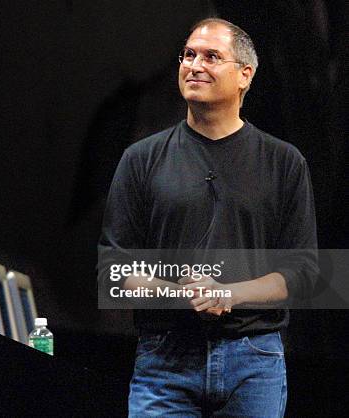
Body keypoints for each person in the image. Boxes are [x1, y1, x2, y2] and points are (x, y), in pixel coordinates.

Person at [98, 18, 318, 417]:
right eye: (188, 54)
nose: (194, 65)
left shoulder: (284, 162)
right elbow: (113, 273)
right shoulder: (141, 159)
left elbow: (303, 274)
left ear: (245, 75)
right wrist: (183, 295)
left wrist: (229, 293)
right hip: (164, 358)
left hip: (254, 360)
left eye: (212, 56)